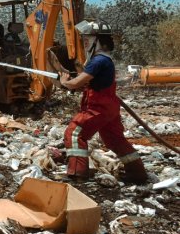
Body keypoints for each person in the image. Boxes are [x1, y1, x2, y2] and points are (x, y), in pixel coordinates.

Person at [59, 21, 147, 183]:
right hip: (109, 107)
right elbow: (88, 85)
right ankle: (137, 173)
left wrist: (65, 82)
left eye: (88, 37)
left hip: (98, 108)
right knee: (114, 139)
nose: (85, 40)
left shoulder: (98, 61)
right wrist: (71, 84)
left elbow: (77, 83)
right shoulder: (103, 60)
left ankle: (78, 173)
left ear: (98, 40)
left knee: (74, 133)